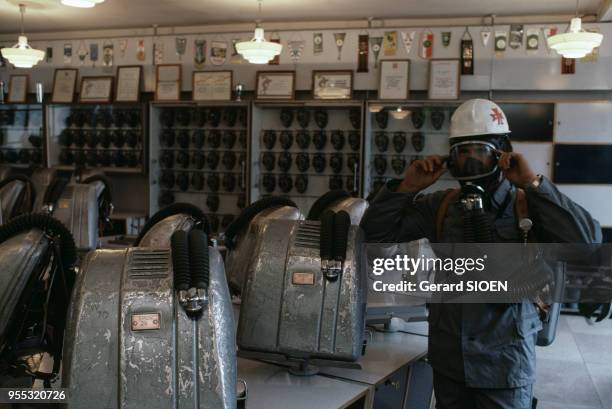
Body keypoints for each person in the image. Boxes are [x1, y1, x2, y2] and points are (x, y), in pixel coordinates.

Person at [360, 99, 602, 409]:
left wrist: (534, 183)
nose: (472, 163)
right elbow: (374, 236)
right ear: (451, 158)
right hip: (450, 364)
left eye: (482, 153)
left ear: (503, 155)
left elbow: (587, 245)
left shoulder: (526, 205)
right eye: (463, 154)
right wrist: (406, 188)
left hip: (505, 366)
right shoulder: (441, 206)